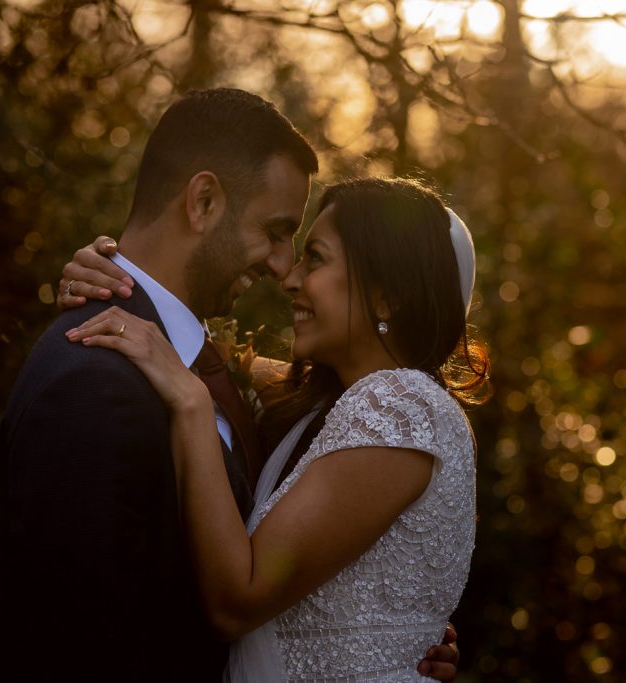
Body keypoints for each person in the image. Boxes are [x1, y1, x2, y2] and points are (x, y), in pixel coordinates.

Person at [0, 89, 458, 682]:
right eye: (278, 231)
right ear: (203, 201)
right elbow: (74, 645)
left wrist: (386, 632)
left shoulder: (209, 373)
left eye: (307, 250)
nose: (282, 267)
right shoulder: (93, 379)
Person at [60, 176, 488, 681]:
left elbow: (235, 604)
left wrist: (192, 404)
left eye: (316, 258)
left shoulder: (398, 405)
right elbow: (214, 357)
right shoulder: (323, 405)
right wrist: (110, 276)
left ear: (385, 295)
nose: (290, 279)